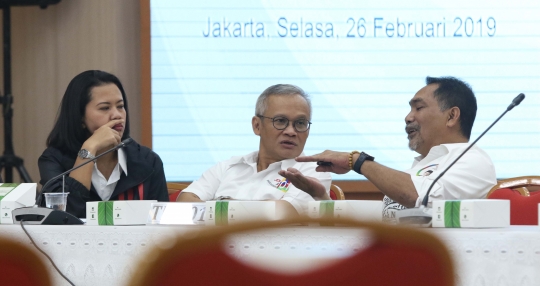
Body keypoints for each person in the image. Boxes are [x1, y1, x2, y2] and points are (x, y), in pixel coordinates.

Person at [279, 76, 497, 223]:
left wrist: (357, 161)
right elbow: (389, 217)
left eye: (418, 107)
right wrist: (321, 197)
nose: (408, 117)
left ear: (451, 116)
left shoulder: (473, 162)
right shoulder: (423, 165)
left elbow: (418, 199)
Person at [178, 84, 331, 215]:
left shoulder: (313, 173)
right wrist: (237, 208)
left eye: (300, 123)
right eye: (281, 121)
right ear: (257, 126)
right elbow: (184, 202)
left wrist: (221, 204)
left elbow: (282, 213)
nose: (291, 131)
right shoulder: (228, 167)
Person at [39, 70, 169, 218]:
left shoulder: (148, 161)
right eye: (105, 108)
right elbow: (65, 218)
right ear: (80, 117)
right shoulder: (54, 160)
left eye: (120, 106)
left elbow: (161, 224)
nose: (117, 115)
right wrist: (89, 148)